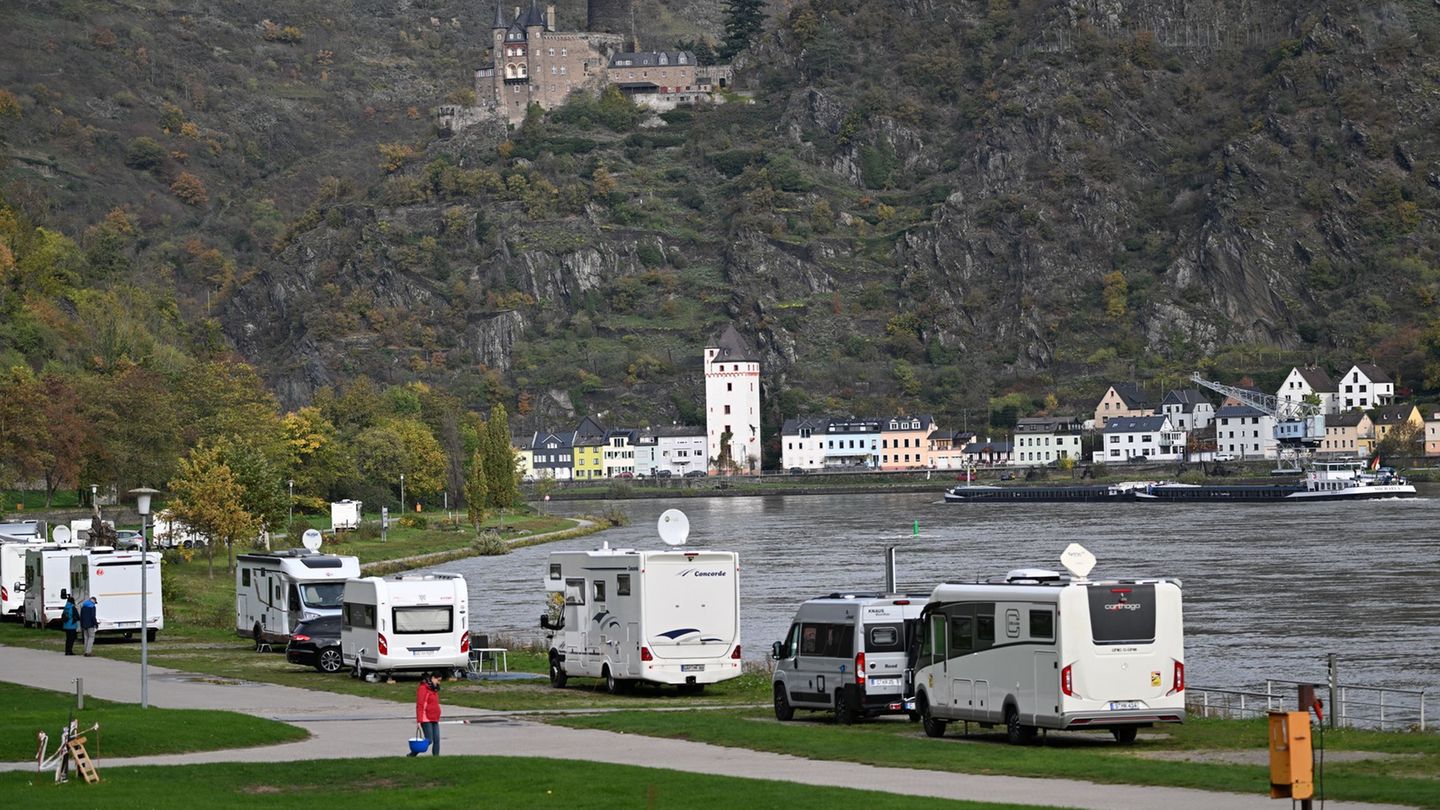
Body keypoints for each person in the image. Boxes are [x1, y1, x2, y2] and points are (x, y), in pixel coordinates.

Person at [410, 671, 441, 756]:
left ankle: (436, 758)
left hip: (434, 717)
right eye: (438, 680)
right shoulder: (423, 688)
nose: (439, 682)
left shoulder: (434, 689)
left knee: (437, 739)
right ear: (433, 678)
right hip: (425, 718)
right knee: (429, 740)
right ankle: (413, 753)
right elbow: (420, 705)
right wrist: (419, 720)